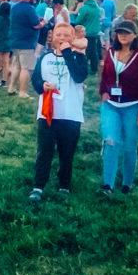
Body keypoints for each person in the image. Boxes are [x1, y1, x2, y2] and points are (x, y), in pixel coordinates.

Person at [28, 23, 88, 201]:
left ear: (73, 38)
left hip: (70, 113)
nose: (62, 38)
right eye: (58, 35)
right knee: (44, 150)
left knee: (67, 151)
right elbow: (35, 79)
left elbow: (79, 76)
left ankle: (64, 185)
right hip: (48, 113)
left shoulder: (78, 57)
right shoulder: (45, 58)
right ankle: (38, 186)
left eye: (66, 35)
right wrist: (42, 86)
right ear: (52, 37)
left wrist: (68, 52)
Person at [99, 21, 138, 196]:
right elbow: (106, 76)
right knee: (111, 141)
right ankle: (107, 184)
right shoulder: (110, 52)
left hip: (133, 107)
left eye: (127, 32)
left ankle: (127, 183)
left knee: (130, 145)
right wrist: (103, 92)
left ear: (135, 35)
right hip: (111, 106)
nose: (122, 35)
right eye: (120, 32)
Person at [7, 0, 46, 99]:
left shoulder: (14, 7)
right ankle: (23, 92)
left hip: (15, 41)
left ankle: (11, 88)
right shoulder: (30, 8)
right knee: (27, 68)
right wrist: (43, 23)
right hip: (27, 42)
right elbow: (36, 25)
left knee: (17, 66)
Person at [72, 0, 102, 74]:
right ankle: (94, 68)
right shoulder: (97, 7)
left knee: (84, 51)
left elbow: (78, 21)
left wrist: (73, 16)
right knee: (93, 51)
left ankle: (84, 68)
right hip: (95, 32)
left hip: (86, 32)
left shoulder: (84, 8)